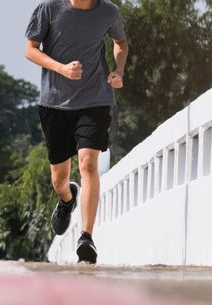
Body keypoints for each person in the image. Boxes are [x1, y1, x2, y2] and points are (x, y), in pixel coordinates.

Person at [25, 0, 128, 264]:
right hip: (54, 103)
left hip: (95, 100)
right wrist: (60, 68)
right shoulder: (49, 9)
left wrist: (118, 71)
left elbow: (121, 42)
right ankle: (66, 198)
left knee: (88, 163)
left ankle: (86, 237)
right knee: (59, 178)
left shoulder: (108, 11)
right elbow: (30, 50)